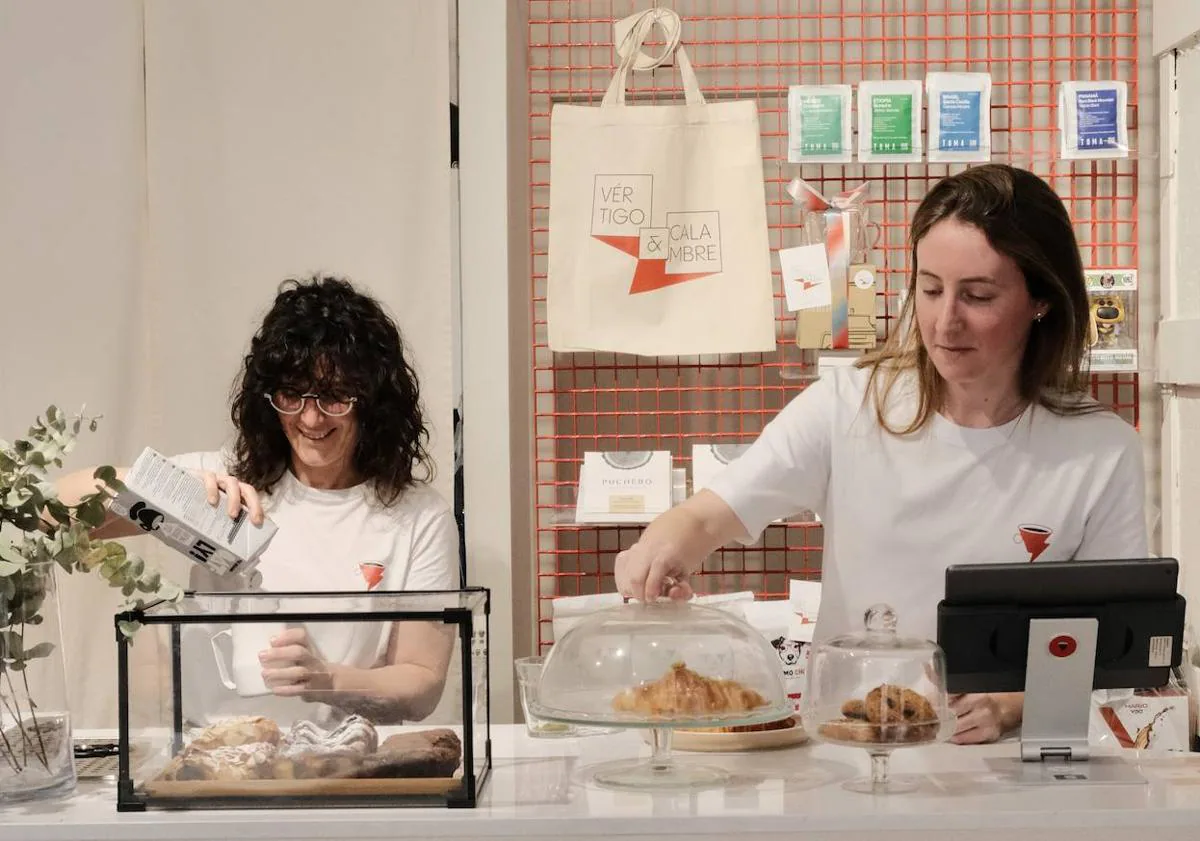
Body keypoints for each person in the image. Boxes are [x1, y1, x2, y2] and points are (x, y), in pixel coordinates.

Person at [614, 164, 1146, 745]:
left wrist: (1014, 701)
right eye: (931, 288)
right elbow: (711, 513)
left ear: (1040, 299)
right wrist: (663, 544)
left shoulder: (1101, 450)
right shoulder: (848, 404)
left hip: (1011, 774)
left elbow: (1116, 641)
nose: (946, 322)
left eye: (978, 295)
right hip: (850, 758)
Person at [59, 276, 457, 724]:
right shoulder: (225, 479)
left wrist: (325, 678)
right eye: (292, 395)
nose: (310, 417)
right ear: (268, 399)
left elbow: (422, 683)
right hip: (213, 758)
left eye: (333, 396)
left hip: (343, 763)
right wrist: (160, 483)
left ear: (372, 400)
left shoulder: (417, 515)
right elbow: (52, 515)